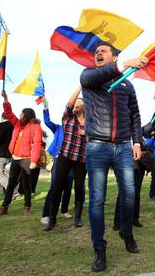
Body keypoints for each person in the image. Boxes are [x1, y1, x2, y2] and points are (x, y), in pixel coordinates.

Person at [80, 41, 146, 272]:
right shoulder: (89, 76)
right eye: (96, 52)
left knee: (129, 194)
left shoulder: (127, 85)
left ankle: (126, 232)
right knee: (97, 201)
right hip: (97, 147)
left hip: (123, 148)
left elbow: (136, 114)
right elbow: (93, 78)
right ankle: (100, 249)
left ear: (114, 56)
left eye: (103, 51)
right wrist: (125, 64)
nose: (98, 54)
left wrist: (136, 141)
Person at [44, 87, 87, 231]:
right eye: (75, 103)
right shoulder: (68, 117)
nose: (75, 105)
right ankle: (52, 219)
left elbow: (97, 136)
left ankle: (78, 217)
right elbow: (69, 103)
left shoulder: (90, 121)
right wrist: (81, 87)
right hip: (65, 156)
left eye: (79, 104)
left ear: (84, 107)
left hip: (81, 158)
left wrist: (86, 132)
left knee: (80, 188)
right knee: (57, 187)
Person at [0, 90, 43, 216]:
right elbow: (9, 113)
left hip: (26, 159)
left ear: (27, 115)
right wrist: (5, 99)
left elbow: (37, 143)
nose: (20, 116)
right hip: (15, 158)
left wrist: (33, 161)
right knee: (11, 184)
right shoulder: (17, 124)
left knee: (26, 184)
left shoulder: (35, 127)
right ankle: (4, 207)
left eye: (22, 115)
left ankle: (27, 206)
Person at [40, 98, 74, 225]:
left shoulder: (76, 129)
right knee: (55, 187)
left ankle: (64, 209)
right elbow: (47, 121)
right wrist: (45, 108)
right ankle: (46, 214)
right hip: (59, 159)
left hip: (71, 160)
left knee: (68, 186)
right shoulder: (58, 128)